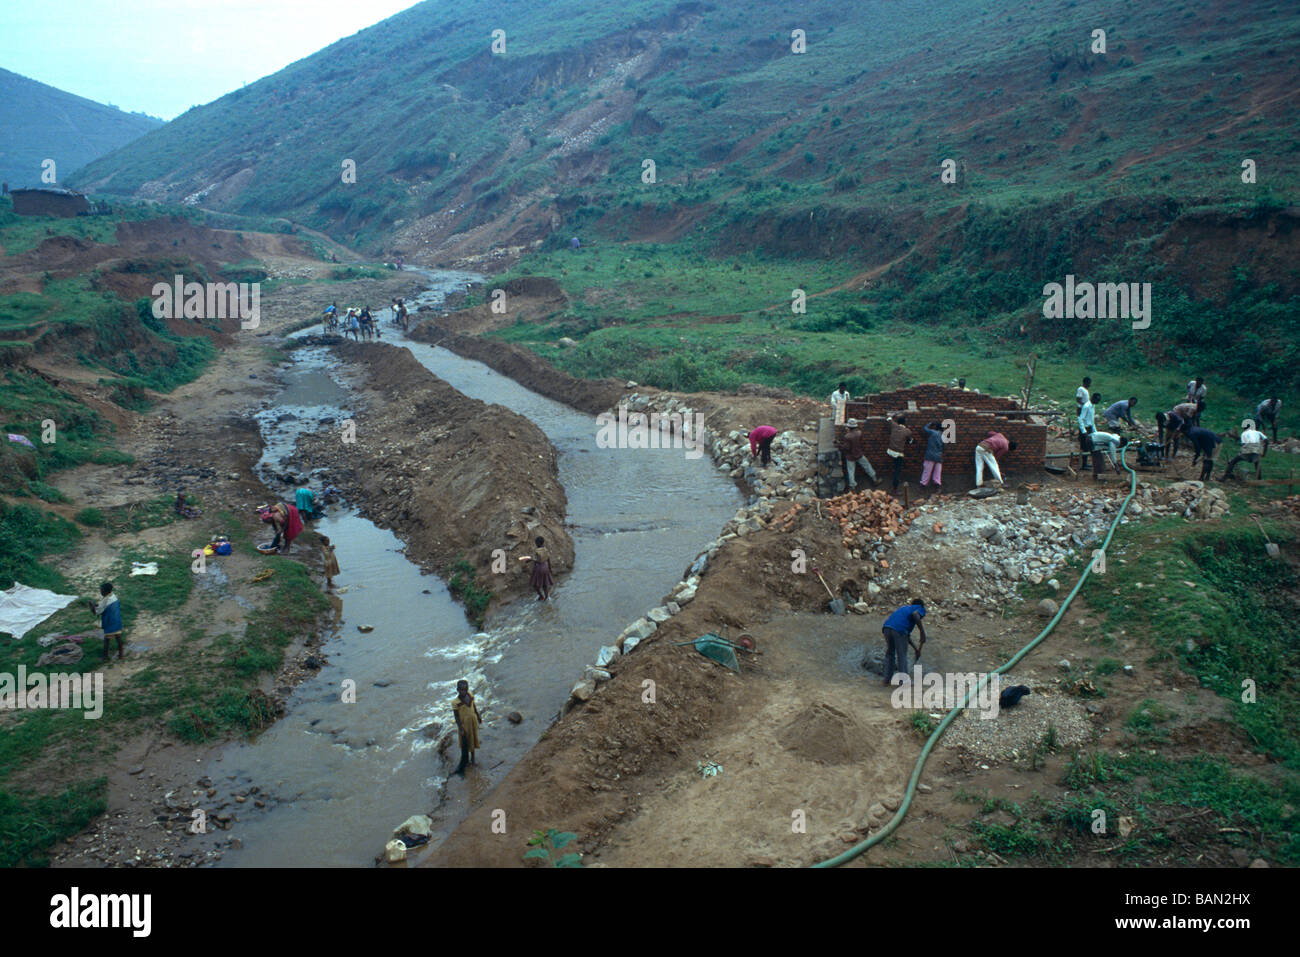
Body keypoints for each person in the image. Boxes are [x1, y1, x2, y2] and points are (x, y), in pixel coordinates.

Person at [878, 599, 927, 686]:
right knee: (902, 656)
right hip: (898, 630)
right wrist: (922, 632)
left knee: (890, 653)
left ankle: (886, 679)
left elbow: (905, 637)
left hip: (887, 628)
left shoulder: (904, 608)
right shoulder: (919, 608)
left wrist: (916, 649)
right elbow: (915, 615)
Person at [835, 419, 879, 489]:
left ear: (849, 427)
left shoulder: (847, 436)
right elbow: (862, 443)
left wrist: (839, 445)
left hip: (850, 457)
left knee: (851, 471)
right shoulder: (859, 433)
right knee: (867, 466)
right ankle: (875, 479)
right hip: (859, 454)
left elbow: (846, 448)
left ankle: (852, 487)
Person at [87, 582, 124, 661]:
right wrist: (97, 605)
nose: (100, 592)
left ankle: (105, 656)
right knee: (118, 638)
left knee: (107, 640)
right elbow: (103, 606)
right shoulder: (113, 596)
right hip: (117, 621)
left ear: (105, 591)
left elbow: (97, 612)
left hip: (109, 623)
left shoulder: (105, 600)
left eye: (101, 590)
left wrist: (92, 605)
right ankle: (121, 655)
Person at [451, 680, 482, 776]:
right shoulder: (456, 702)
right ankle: (466, 760)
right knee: (465, 742)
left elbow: (474, 706)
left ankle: (473, 759)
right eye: (461, 690)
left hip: (472, 722)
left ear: (467, 689)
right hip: (464, 724)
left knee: (473, 740)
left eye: (465, 689)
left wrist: (478, 715)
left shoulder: (470, 696)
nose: (463, 692)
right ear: (457, 690)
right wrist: (460, 728)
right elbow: (456, 717)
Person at [519, 535, 554, 601]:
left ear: (537, 543)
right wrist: (550, 568)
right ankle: (546, 597)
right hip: (545, 567)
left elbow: (538, 560)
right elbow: (548, 559)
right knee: (544, 585)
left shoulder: (537, 551)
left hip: (539, 568)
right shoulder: (545, 549)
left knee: (535, 584)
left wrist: (529, 560)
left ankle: (541, 596)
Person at [884, 414, 913, 490]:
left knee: (895, 466)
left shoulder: (894, 425)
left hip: (890, 451)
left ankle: (895, 480)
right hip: (898, 453)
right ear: (905, 422)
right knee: (897, 470)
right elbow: (910, 441)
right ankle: (895, 487)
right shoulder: (907, 431)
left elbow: (888, 418)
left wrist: (893, 415)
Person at [1077, 388, 1098, 471]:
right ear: (1093, 398)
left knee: (1089, 446)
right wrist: (1084, 432)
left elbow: (1092, 421)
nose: (1097, 402)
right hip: (1084, 429)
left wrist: (1095, 431)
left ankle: (1085, 463)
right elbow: (1080, 419)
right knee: (1084, 447)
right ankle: (1083, 465)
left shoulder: (1093, 406)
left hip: (1089, 428)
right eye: (1096, 400)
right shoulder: (1086, 406)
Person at [920, 421, 944, 489]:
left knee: (927, 472)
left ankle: (923, 486)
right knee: (937, 473)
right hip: (938, 457)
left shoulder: (933, 432)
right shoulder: (943, 436)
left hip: (930, 456)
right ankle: (937, 486)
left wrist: (930, 423)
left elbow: (924, 428)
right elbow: (943, 447)